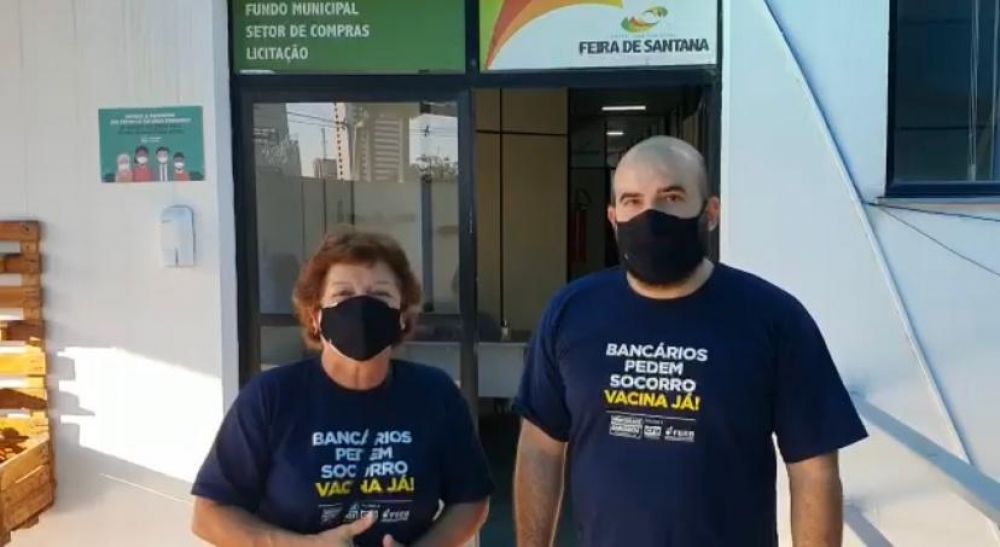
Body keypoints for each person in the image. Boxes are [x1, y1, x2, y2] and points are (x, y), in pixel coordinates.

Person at [513, 136, 867, 547]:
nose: (650, 215)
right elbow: (540, 447)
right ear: (612, 217)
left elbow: (814, 472)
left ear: (710, 213)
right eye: (632, 201)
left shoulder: (774, 318)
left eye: (671, 197)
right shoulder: (571, 313)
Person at [192, 230, 493, 547]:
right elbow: (209, 514)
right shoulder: (272, 396)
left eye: (380, 295)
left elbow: (470, 499)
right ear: (316, 317)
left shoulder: (435, 394)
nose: (361, 307)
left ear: (403, 317)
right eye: (343, 294)